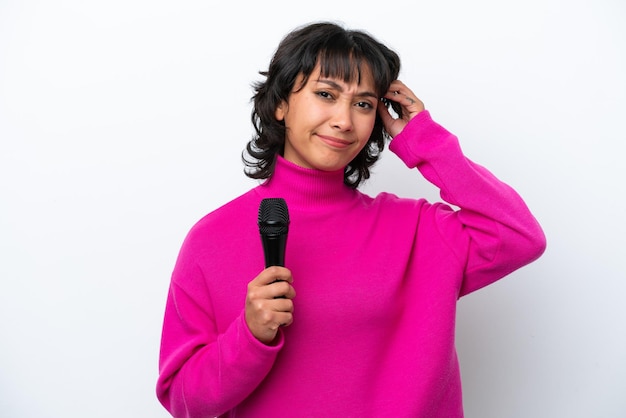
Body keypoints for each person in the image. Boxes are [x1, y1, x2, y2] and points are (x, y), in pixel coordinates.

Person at [155, 21, 546, 417]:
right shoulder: (212, 240)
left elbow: (518, 236)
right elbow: (185, 401)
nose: (344, 120)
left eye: (363, 104)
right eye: (326, 94)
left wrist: (424, 139)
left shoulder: (417, 231)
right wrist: (251, 335)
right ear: (280, 103)